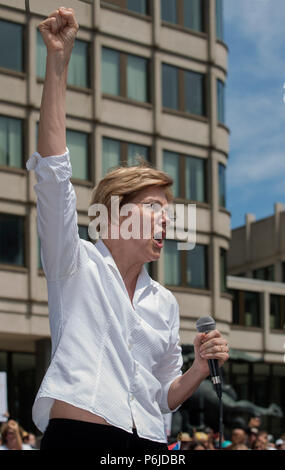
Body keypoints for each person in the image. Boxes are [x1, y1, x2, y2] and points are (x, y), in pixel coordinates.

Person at [26, 6, 229, 451]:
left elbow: (162, 397)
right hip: (82, 437)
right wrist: (58, 63)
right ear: (116, 213)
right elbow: (53, 174)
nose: (166, 220)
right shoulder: (74, 263)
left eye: (168, 212)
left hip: (153, 446)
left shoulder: (167, 303)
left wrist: (196, 370)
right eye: (155, 206)